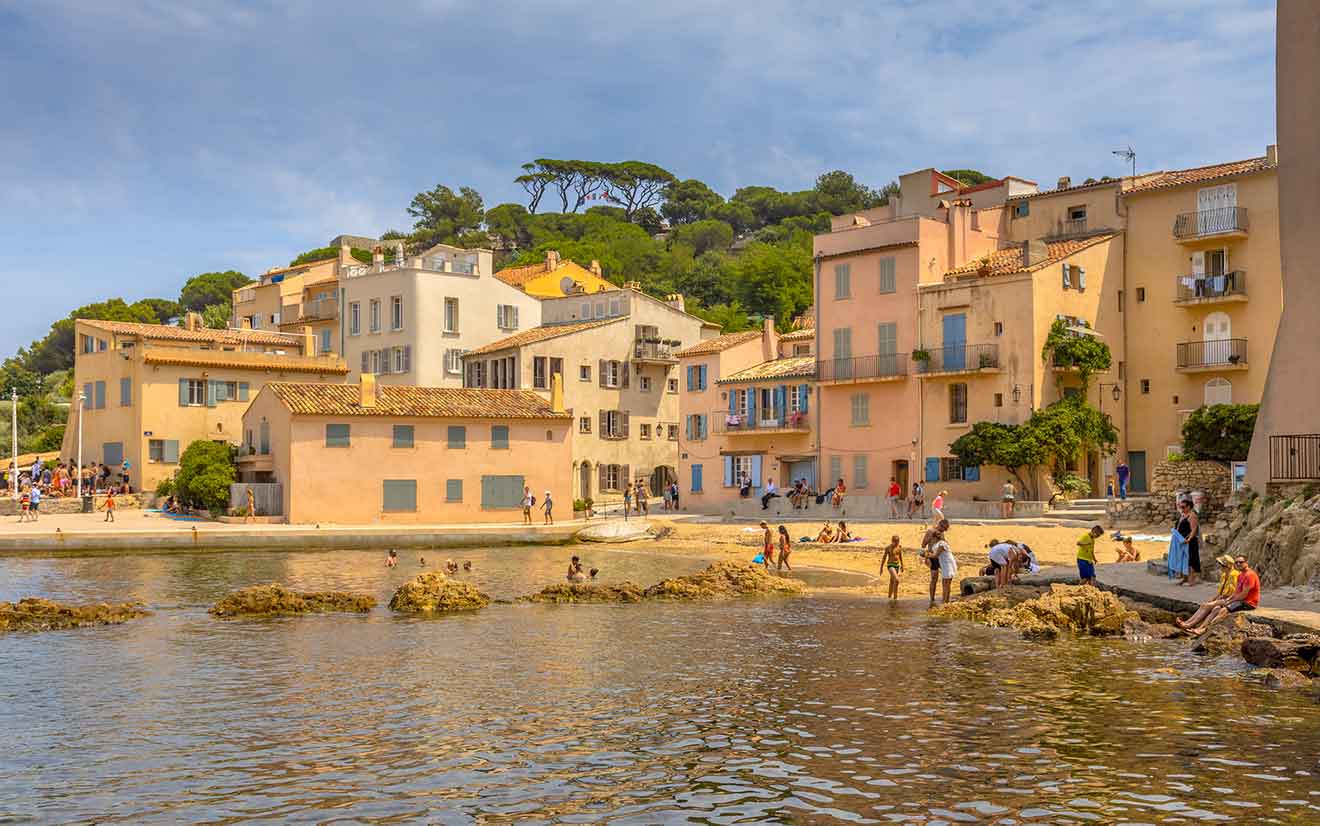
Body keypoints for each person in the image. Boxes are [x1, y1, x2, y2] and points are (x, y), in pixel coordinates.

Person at [1178, 555, 1259, 634]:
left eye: (1241, 562)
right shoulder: (1240, 575)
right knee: (1215, 609)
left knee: (1222, 610)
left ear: (1246, 563)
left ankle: (1202, 628)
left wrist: (1229, 600)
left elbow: (1243, 594)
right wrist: (1229, 599)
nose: (1238, 564)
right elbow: (1236, 592)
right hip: (1238, 600)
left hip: (1248, 602)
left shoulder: (1249, 575)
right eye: (1236, 562)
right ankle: (1199, 628)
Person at [1175, 498, 1201, 586]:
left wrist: (1189, 539)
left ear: (1189, 507)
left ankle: (1191, 579)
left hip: (1190, 541)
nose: (1181, 509)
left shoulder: (1192, 515)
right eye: (1180, 507)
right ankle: (1185, 578)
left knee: (1191, 559)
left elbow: (1194, 530)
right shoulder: (1183, 515)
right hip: (1182, 540)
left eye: (1183, 507)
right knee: (1183, 559)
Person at [928, 529, 957, 605]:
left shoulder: (942, 544)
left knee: (946, 583)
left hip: (948, 565)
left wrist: (926, 555)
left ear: (934, 538)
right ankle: (945, 600)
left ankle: (946, 601)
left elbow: (935, 555)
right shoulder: (937, 544)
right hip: (944, 565)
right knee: (945, 583)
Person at [882, 535, 903, 600]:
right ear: (892, 541)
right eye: (895, 542)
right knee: (896, 580)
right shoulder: (888, 548)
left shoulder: (899, 547)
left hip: (897, 565)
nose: (896, 543)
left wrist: (902, 565)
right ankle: (895, 598)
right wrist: (881, 567)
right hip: (890, 565)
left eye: (898, 542)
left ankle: (889, 597)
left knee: (892, 581)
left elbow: (900, 557)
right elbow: (884, 558)